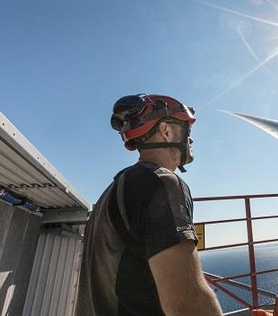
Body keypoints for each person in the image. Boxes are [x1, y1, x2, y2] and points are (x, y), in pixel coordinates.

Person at [76, 94, 223, 316]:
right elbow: (188, 304)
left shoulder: (111, 192)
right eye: (187, 131)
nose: (190, 140)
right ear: (166, 131)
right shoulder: (160, 181)